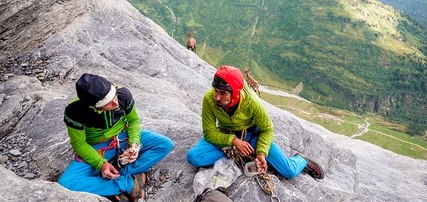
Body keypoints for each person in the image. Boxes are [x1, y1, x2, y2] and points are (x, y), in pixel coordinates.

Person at [186, 66, 324, 180]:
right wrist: (233, 141)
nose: (217, 97)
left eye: (223, 93)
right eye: (216, 91)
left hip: (252, 137)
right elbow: (209, 132)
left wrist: (261, 153)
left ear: (235, 93)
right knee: (194, 157)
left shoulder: (252, 103)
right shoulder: (209, 99)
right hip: (228, 136)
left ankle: (301, 160)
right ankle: (237, 155)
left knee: (289, 171)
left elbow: (267, 130)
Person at [59, 73, 174, 201]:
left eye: (114, 96)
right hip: (100, 148)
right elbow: (79, 143)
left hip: (124, 137)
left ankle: (126, 172)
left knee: (165, 144)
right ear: (94, 107)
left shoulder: (123, 94)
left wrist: (134, 143)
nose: (116, 103)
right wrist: (101, 164)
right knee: (66, 183)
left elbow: (134, 120)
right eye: (109, 103)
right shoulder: (74, 112)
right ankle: (123, 183)